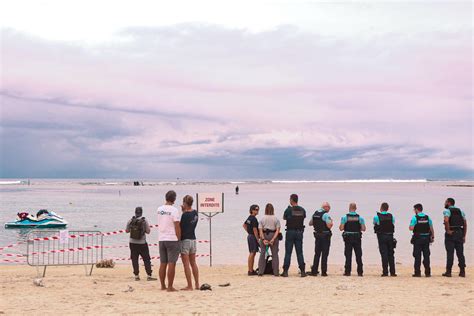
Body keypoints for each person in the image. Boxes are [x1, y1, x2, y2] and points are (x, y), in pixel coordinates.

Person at [157, 190, 181, 292]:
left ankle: (163, 285)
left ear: (166, 197)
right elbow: (177, 226)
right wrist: (179, 239)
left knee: (163, 263)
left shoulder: (159, 209)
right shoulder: (174, 210)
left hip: (161, 238)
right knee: (172, 263)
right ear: (174, 199)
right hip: (171, 238)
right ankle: (170, 287)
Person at [125, 207, 156, 281]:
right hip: (142, 243)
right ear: (141, 212)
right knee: (146, 259)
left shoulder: (131, 220)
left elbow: (126, 230)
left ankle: (136, 276)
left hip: (132, 243)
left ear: (135, 212)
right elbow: (148, 231)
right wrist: (143, 231)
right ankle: (149, 275)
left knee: (134, 259)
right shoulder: (144, 221)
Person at [281, 194, 307, 277]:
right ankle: (302, 271)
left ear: (292, 200)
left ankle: (285, 271)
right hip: (299, 232)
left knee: (288, 252)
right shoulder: (302, 210)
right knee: (299, 252)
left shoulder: (288, 210)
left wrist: (288, 210)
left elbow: (284, 218)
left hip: (290, 232)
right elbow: (304, 217)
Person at [443, 198, 467, 277]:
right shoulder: (461, 211)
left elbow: (446, 221)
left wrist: (448, 230)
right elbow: (465, 224)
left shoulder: (447, 211)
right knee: (460, 253)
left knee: (450, 253)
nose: (445, 203)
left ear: (449, 203)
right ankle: (462, 271)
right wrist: (464, 235)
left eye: (446, 202)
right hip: (459, 232)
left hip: (451, 233)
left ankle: (448, 272)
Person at [339, 202, 366, 276]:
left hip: (348, 238)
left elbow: (341, 228)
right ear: (356, 208)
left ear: (349, 208)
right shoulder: (360, 218)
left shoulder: (345, 217)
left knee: (348, 255)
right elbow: (363, 229)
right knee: (358, 255)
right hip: (357, 237)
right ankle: (360, 272)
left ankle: (347, 272)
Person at [180, 195, 200, 290]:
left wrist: (183, 212)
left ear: (185, 203)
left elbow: (181, 227)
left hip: (185, 240)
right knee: (193, 263)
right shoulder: (195, 213)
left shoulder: (185, 215)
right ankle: (197, 284)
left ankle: (189, 285)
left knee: (186, 264)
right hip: (193, 239)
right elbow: (190, 224)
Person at [308, 202, 333, 277]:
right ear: (326, 207)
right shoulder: (325, 215)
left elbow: (310, 223)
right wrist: (331, 222)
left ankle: (314, 271)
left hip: (317, 235)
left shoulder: (315, 213)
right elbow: (329, 226)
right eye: (329, 208)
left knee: (317, 254)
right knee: (325, 254)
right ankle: (324, 272)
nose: (329, 209)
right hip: (325, 236)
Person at [409, 203, 434, 277]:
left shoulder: (415, 218)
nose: (414, 211)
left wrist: (411, 225)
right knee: (426, 256)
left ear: (416, 209)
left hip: (418, 239)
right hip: (426, 239)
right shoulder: (427, 217)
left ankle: (417, 273)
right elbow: (431, 227)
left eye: (414, 209)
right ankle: (427, 273)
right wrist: (432, 236)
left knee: (417, 256)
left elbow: (411, 228)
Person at [373, 202, 397, 277]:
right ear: (388, 208)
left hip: (381, 237)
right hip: (390, 236)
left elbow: (375, 224)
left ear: (381, 208)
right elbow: (393, 224)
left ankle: (385, 272)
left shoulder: (377, 217)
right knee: (391, 254)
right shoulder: (391, 216)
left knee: (384, 254)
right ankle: (393, 272)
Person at [257, 203, 281, 277]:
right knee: (275, 255)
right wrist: (273, 239)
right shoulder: (276, 219)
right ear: (273, 209)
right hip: (273, 235)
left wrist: (263, 239)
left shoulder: (262, 219)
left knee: (262, 254)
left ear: (265, 209)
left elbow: (260, 230)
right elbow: (278, 230)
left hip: (264, 235)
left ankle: (260, 272)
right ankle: (276, 272)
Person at [243, 204, 260, 276]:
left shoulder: (249, 217)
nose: (257, 211)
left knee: (252, 253)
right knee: (252, 253)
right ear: (252, 210)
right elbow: (255, 229)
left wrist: (248, 232)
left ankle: (251, 269)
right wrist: (257, 239)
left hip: (250, 236)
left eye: (258, 209)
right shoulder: (254, 219)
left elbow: (244, 225)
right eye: (255, 209)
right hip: (252, 236)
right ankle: (250, 270)